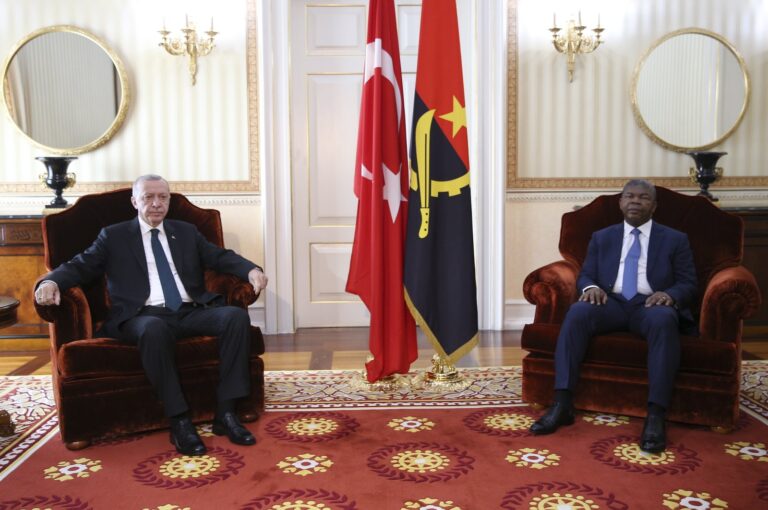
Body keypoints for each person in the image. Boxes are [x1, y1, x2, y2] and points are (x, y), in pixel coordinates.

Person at [35, 174, 268, 456]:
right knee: (153, 328)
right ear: (135, 201)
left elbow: (220, 256)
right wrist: (49, 282)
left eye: (163, 197)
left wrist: (251, 270)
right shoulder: (114, 235)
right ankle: (180, 420)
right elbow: (79, 266)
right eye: (148, 197)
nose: (156, 204)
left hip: (188, 311)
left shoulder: (185, 231)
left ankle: (227, 412)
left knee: (235, 317)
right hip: (140, 316)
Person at [529, 179, 697, 453]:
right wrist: (591, 288)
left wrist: (670, 295)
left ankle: (656, 414)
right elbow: (586, 274)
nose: (635, 201)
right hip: (612, 302)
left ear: (654, 206)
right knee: (578, 312)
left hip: (650, 304)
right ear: (620, 203)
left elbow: (689, 283)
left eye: (643, 198)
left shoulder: (675, 239)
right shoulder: (602, 237)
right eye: (629, 196)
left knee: (665, 320)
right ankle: (562, 403)